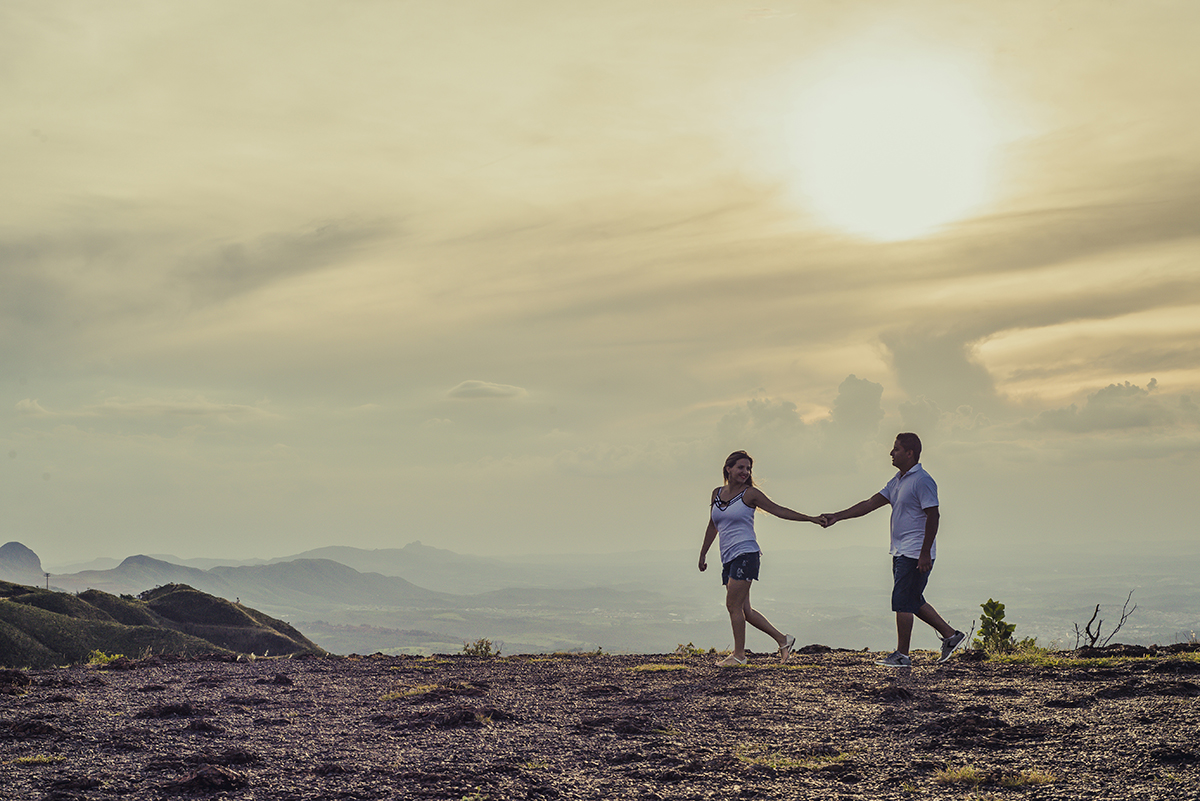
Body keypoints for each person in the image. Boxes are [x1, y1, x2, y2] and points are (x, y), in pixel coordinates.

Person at [821, 433, 966, 667]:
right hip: (902, 550)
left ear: (910, 453)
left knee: (902, 602)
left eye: (896, 449)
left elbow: (934, 515)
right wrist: (838, 516)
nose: (891, 453)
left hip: (914, 551)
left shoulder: (922, 480)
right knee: (912, 600)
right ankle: (951, 635)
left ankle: (902, 655)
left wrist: (925, 552)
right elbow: (870, 503)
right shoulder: (898, 480)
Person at [699, 450, 823, 667]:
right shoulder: (716, 493)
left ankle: (738, 655)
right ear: (728, 468)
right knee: (744, 610)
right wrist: (703, 553)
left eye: (748, 468)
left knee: (732, 606)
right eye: (741, 467)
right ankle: (783, 640)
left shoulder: (750, 494)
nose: (745, 472)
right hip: (728, 557)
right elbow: (713, 525)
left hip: (746, 554)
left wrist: (810, 519)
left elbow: (779, 510)